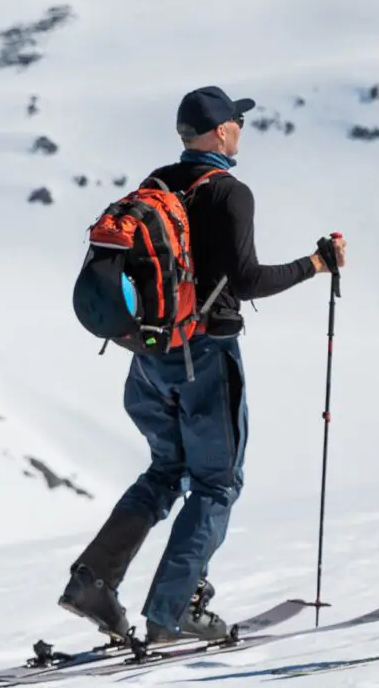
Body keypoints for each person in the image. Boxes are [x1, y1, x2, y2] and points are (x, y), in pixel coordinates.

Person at [57, 86, 344, 649]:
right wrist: (316, 264)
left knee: (166, 472)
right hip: (204, 356)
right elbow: (246, 281)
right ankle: (174, 609)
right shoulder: (230, 194)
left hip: (148, 356)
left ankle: (93, 581)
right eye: (236, 122)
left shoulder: (158, 182)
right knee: (216, 482)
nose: (241, 128)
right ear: (218, 133)